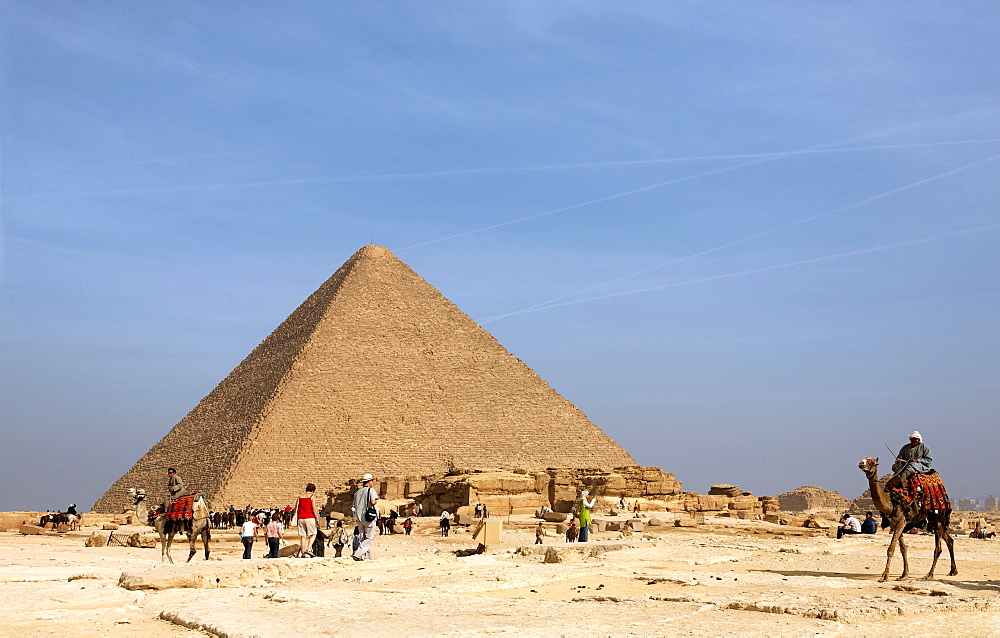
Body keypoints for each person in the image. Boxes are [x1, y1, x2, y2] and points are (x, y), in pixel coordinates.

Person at [352, 473, 379, 561]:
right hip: (368, 517)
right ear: (369, 481)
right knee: (369, 538)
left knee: (362, 538)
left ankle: (367, 556)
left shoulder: (356, 493)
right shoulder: (371, 491)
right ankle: (357, 554)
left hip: (359, 518)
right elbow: (373, 502)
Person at [296, 483, 319, 558]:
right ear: (313, 490)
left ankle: (303, 554)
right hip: (309, 517)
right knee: (313, 534)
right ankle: (309, 549)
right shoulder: (312, 496)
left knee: (303, 536)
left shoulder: (300, 497)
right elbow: (314, 508)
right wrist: (317, 519)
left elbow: (296, 508)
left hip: (300, 518)